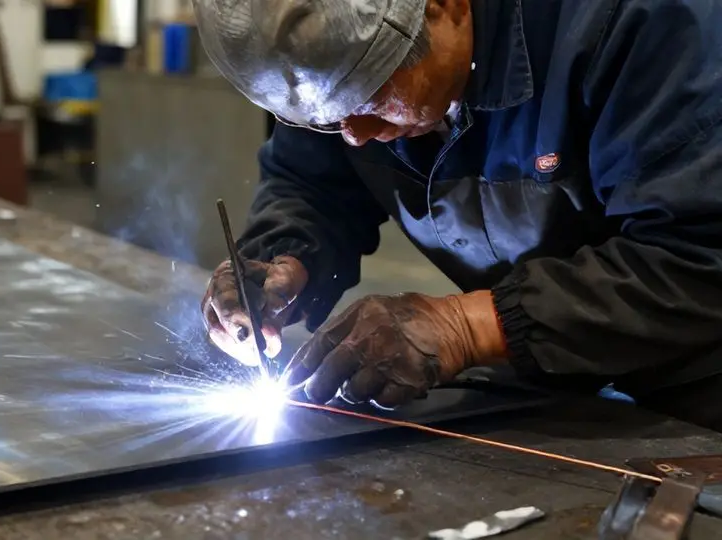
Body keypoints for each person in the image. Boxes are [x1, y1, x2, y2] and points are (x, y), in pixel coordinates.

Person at [194, 0, 722, 431]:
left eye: (372, 97)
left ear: (445, 7)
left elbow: (698, 256)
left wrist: (465, 327)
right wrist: (285, 259)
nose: (354, 135)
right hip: (558, 381)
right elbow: (313, 181)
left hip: (698, 391)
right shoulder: (346, 66)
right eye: (326, 119)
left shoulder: (643, 22)